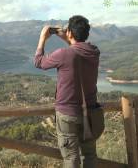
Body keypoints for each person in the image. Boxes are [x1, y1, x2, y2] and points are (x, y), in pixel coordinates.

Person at [34, 15, 104, 168]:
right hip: (91, 113)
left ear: (70, 33)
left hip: (68, 114)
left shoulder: (63, 54)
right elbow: (78, 49)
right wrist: (68, 37)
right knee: (90, 155)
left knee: (71, 157)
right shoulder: (94, 52)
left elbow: (38, 62)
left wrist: (42, 38)